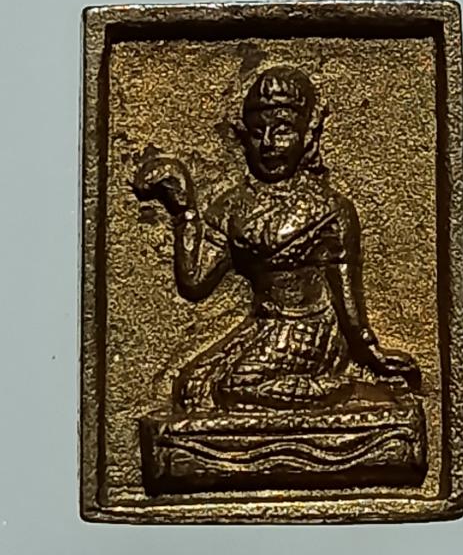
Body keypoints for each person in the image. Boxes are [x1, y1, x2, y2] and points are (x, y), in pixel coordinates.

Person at [134, 66, 420, 412]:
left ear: (307, 135)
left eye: (282, 131)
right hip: (262, 325)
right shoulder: (233, 206)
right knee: (192, 391)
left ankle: (349, 391)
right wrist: (185, 212)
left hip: (311, 327)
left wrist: (370, 350)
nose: (269, 144)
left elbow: (346, 294)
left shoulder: (330, 209)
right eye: (258, 133)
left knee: (235, 388)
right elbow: (195, 283)